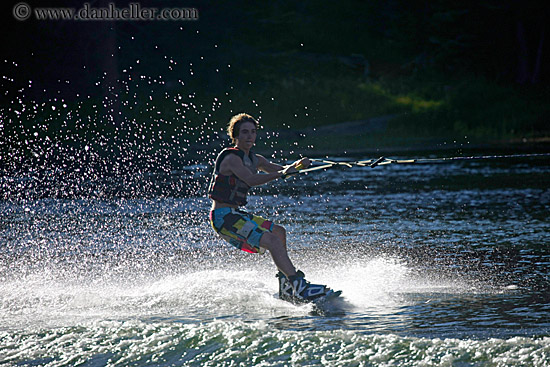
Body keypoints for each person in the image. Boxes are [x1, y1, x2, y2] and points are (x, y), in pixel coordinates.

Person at [208, 113, 332, 302]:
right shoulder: (231, 158)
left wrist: (298, 166)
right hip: (223, 218)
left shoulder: (255, 159)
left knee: (279, 233)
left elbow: (281, 170)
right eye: (244, 132)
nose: (249, 136)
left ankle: (286, 288)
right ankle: (299, 286)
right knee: (272, 241)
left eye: (253, 132)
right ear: (236, 135)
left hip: (236, 214)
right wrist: (284, 172)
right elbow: (251, 179)